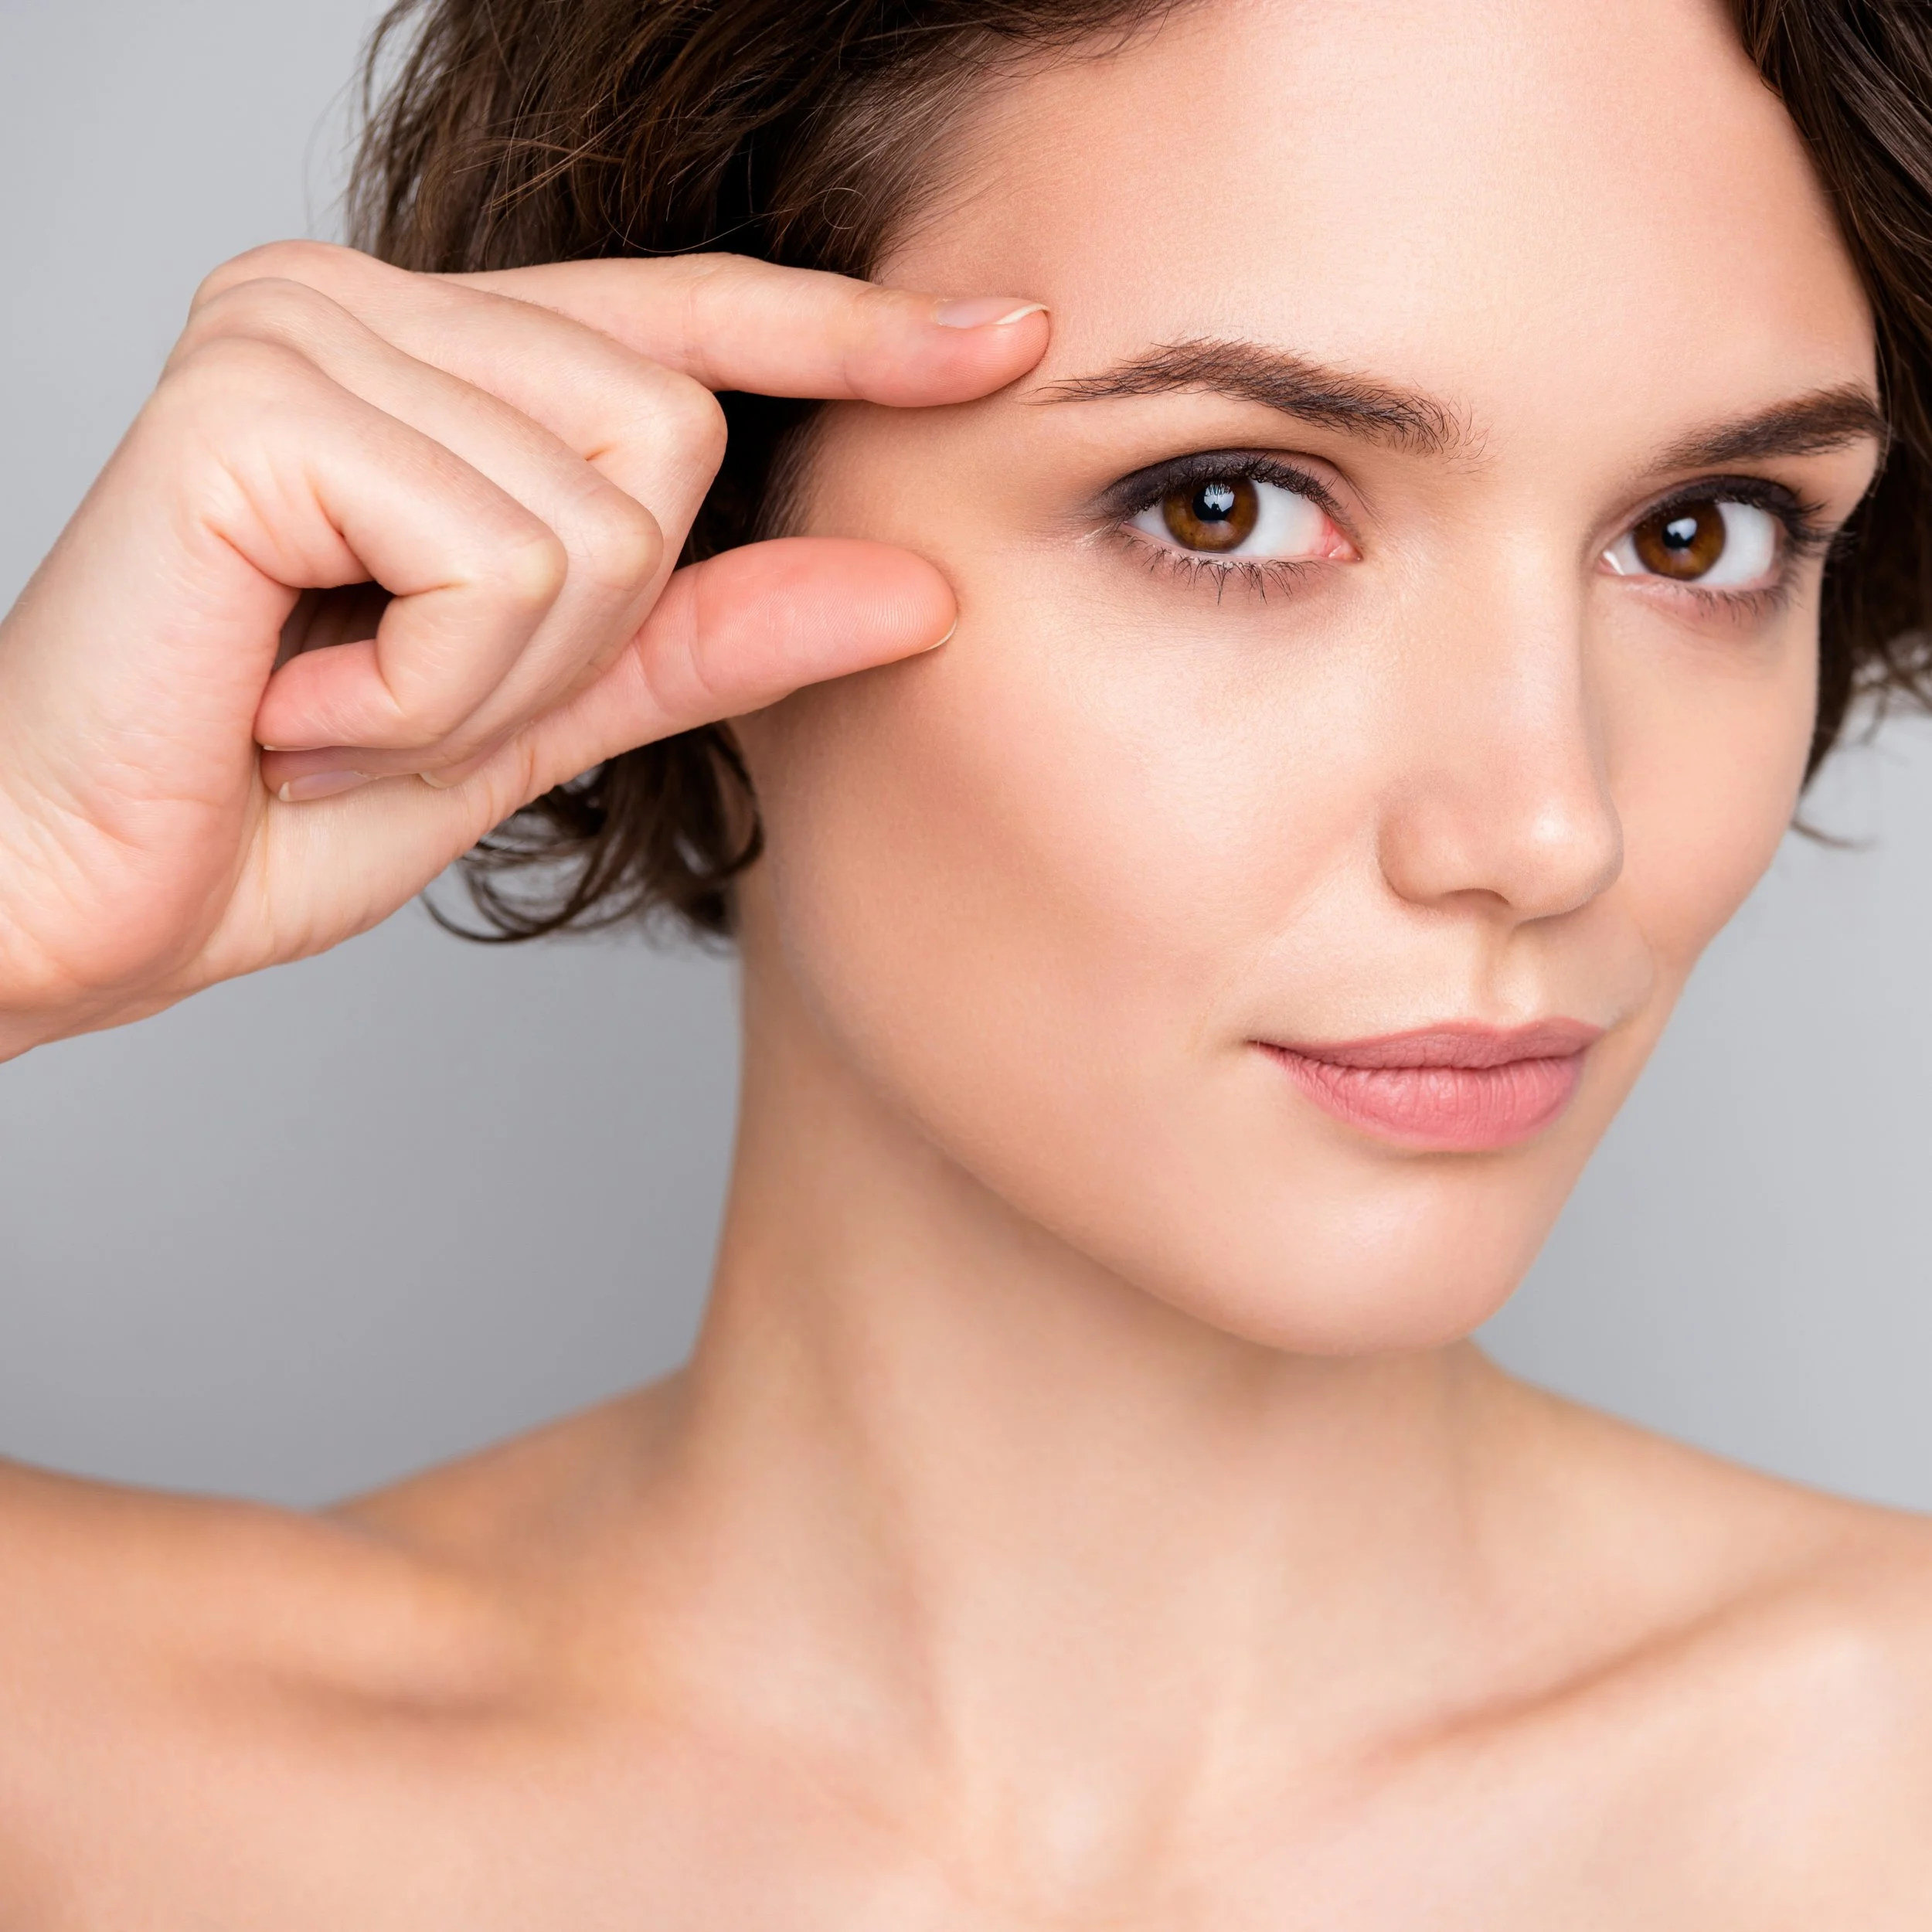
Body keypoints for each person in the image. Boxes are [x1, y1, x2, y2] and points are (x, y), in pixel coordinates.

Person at [2, 0, 1931, 1916]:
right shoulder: (82, 1772)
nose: (1544, 826)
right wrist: (25, 888)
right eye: (1225, 503)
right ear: (676, 513)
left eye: (1699, 535)